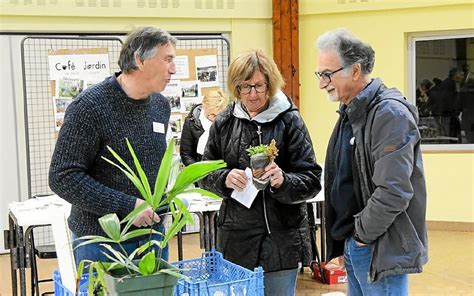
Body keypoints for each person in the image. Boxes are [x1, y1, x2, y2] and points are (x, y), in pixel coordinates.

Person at [49, 27, 177, 265]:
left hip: (152, 237)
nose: (174, 68)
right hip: (102, 242)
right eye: (167, 59)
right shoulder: (89, 107)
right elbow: (63, 176)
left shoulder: (160, 105)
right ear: (140, 60)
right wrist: (127, 206)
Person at [200, 49, 322, 296]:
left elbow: (311, 179)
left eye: (258, 86)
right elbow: (203, 173)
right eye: (245, 87)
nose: (252, 94)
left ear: (270, 84)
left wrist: (283, 181)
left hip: (282, 238)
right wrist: (224, 178)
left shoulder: (290, 121)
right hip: (237, 237)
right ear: (236, 88)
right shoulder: (224, 122)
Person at [315, 28, 428, 295]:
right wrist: (346, 241)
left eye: (327, 74)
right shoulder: (351, 110)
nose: (321, 83)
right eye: (320, 74)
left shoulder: (389, 114)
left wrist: (361, 237)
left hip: (377, 247)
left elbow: (393, 191)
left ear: (355, 71)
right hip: (356, 244)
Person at [180, 89, 228, 166]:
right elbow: (186, 154)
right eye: (211, 114)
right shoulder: (191, 121)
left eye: (218, 115)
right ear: (204, 107)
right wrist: (197, 171)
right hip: (199, 167)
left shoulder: (228, 121)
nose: (214, 119)